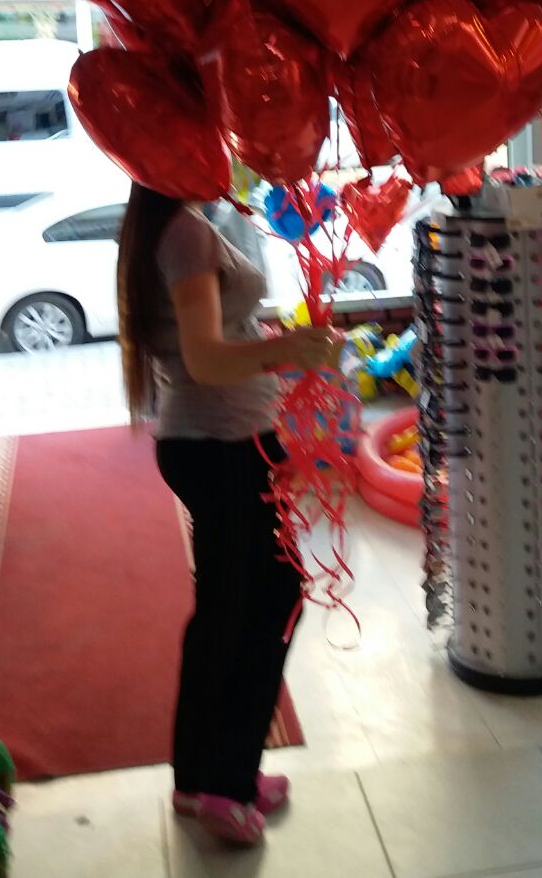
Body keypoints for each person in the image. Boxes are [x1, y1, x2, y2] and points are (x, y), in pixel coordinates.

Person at [117, 185, 340, 846]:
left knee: (229, 610)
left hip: (223, 440)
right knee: (269, 601)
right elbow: (207, 358)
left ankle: (200, 779)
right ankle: (227, 784)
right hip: (221, 445)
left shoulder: (171, 223)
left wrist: (276, 345)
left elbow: (213, 342)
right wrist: (290, 349)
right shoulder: (185, 231)